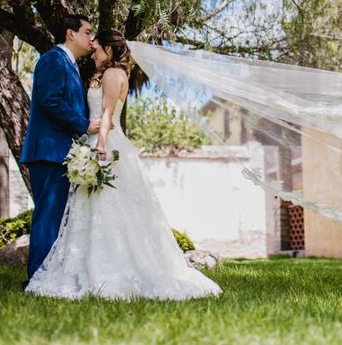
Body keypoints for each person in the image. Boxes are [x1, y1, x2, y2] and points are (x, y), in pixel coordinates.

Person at [25, 30, 222, 300]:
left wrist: (100, 145)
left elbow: (107, 114)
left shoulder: (110, 75)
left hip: (104, 142)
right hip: (101, 141)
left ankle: (106, 268)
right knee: (105, 209)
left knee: (104, 208)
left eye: (97, 48)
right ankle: (96, 264)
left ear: (108, 48)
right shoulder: (114, 74)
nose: (93, 51)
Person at [20, 14, 101, 288]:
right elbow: (50, 101)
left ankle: (50, 277)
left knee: (58, 218)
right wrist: (85, 125)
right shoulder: (52, 60)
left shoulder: (72, 65)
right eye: (88, 32)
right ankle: (37, 280)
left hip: (62, 153)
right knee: (48, 215)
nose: (91, 38)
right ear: (70, 33)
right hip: (49, 150)